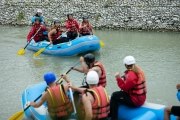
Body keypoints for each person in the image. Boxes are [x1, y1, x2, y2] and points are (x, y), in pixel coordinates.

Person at [109, 56, 147, 120]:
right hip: (141, 98)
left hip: (136, 101)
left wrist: (118, 78)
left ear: (126, 65)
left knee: (114, 95)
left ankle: (113, 118)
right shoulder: (138, 70)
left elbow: (124, 88)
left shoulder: (132, 75)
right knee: (119, 94)